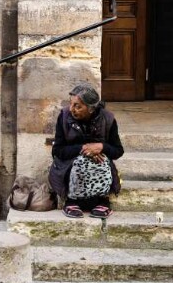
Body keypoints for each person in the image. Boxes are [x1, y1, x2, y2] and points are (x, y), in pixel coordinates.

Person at [50, 83, 124, 218]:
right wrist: (83, 148)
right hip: (69, 168)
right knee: (82, 160)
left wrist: (102, 147)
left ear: (91, 109)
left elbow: (118, 151)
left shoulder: (108, 119)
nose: (72, 109)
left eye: (78, 106)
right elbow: (57, 151)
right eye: (71, 104)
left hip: (99, 170)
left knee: (101, 160)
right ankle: (72, 201)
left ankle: (102, 201)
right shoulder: (64, 116)